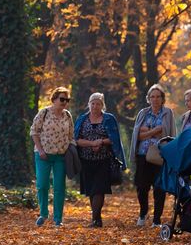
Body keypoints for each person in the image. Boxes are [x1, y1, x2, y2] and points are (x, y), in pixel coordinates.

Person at [74, 92, 125, 227]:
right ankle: (97, 218)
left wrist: (101, 142)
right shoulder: (82, 119)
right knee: (91, 190)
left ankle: (96, 219)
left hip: (104, 160)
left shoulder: (109, 119)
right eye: (93, 103)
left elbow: (114, 139)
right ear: (89, 104)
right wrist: (92, 144)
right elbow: (76, 140)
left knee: (99, 189)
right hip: (86, 160)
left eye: (98, 104)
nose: (95, 106)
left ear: (102, 105)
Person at [131, 84, 175, 227]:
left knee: (159, 188)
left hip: (160, 156)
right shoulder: (143, 113)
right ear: (148, 99)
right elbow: (138, 135)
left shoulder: (168, 113)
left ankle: (157, 219)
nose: (155, 99)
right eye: (152, 97)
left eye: (158, 96)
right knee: (141, 187)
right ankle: (143, 212)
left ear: (162, 99)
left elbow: (168, 134)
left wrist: (147, 131)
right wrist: (155, 130)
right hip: (143, 155)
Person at [30, 86, 75, 227]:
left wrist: (70, 149)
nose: (64, 102)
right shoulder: (43, 113)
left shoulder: (67, 115)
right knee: (42, 185)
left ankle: (58, 218)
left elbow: (71, 136)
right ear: (54, 99)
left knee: (59, 187)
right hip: (43, 155)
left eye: (67, 100)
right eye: (62, 99)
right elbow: (34, 132)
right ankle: (43, 213)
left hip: (60, 156)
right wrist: (41, 150)